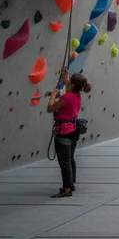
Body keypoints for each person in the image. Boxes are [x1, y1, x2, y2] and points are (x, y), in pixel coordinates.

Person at [47, 67, 90, 198]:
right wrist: (66, 76)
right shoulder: (77, 95)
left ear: (73, 85)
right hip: (73, 131)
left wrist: (52, 96)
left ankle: (67, 189)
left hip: (63, 131)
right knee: (70, 159)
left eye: (69, 81)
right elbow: (69, 86)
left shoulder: (66, 97)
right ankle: (71, 184)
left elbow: (50, 108)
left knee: (64, 162)